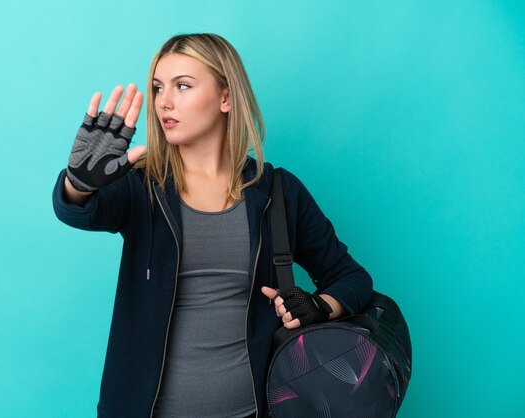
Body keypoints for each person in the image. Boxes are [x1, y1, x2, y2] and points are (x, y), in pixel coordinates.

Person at [52, 33, 373, 418]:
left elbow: (352, 278)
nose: (164, 102)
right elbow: (79, 211)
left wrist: (319, 305)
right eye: (158, 88)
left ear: (225, 97)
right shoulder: (140, 188)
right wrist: (77, 185)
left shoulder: (277, 192)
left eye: (182, 86)